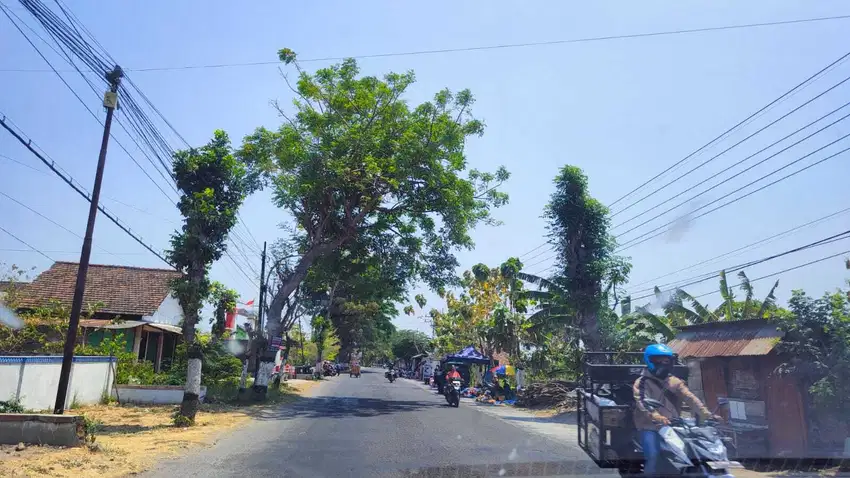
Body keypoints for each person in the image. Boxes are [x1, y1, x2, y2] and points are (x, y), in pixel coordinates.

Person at [633, 344, 719, 476]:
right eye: (659, 360)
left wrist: (705, 413)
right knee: (653, 456)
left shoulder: (675, 382)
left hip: (674, 425)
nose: (663, 364)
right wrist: (656, 416)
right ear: (650, 361)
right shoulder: (642, 382)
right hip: (650, 427)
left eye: (666, 361)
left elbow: (690, 398)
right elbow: (643, 402)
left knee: (694, 451)